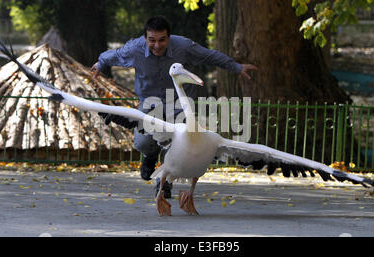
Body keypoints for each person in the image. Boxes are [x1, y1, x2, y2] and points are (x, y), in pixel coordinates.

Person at [91, 16, 257, 198]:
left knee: (176, 145)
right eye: (152, 40)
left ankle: (164, 183)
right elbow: (112, 55)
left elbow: (209, 56)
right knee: (143, 142)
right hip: (149, 103)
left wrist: (236, 67)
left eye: (162, 40)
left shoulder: (183, 47)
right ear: (145, 38)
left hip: (180, 104)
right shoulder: (134, 49)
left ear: (169, 37)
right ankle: (150, 157)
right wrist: (100, 63)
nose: (157, 45)